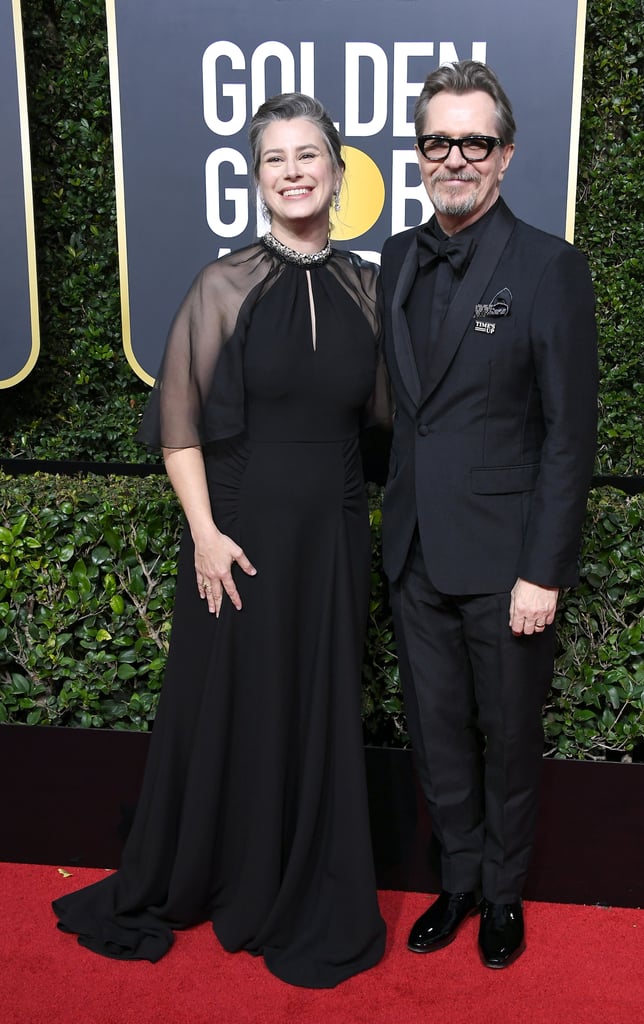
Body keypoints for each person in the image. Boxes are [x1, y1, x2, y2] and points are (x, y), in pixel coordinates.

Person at [53, 92, 387, 988]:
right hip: (239, 535)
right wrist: (204, 534)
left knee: (318, 703)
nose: (293, 172)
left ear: (337, 169)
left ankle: (306, 877)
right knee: (236, 704)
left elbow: (390, 417)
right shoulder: (223, 284)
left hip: (335, 534)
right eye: (274, 158)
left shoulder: (369, 286)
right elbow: (178, 424)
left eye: (308, 155)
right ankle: (225, 870)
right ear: (255, 177)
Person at [380, 61, 598, 968]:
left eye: (475, 142)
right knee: (434, 733)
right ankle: (458, 879)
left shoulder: (550, 267)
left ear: (504, 156)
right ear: (420, 153)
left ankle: (504, 894)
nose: (455, 158)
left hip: (507, 562)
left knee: (507, 739)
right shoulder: (395, 254)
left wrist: (541, 570)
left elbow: (568, 435)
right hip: (414, 551)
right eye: (439, 141)